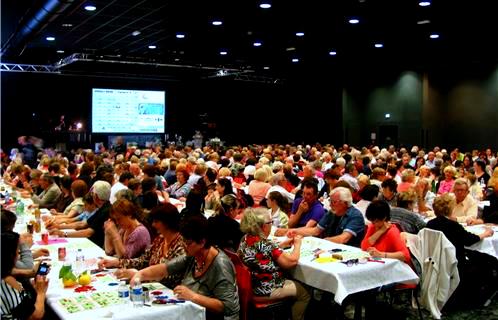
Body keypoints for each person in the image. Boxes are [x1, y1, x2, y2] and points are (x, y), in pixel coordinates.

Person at [130, 215, 240, 320]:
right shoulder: (193, 256)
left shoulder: (220, 265)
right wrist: (140, 275)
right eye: (183, 241)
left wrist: (193, 296)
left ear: (202, 242)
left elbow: (227, 307)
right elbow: (165, 268)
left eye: (188, 243)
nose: (184, 247)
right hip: (191, 311)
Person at [238, 208, 310, 320]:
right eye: (270, 223)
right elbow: (291, 262)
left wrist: (283, 244)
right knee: (305, 293)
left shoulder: (246, 238)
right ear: (263, 226)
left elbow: (263, 253)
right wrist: (297, 244)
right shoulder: (267, 245)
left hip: (249, 287)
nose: (271, 225)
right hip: (264, 290)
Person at [426, 194, 498, 308]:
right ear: (450, 208)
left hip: (436, 260)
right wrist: (485, 234)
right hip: (455, 263)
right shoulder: (453, 226)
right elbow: (469, 240)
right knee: (485, 261)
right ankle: (480, 296)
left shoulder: (430, 224)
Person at [98, 203, 185, 289]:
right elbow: (142, 261)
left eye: (156, 221)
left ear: (167, 223)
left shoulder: (181, 246)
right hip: (153, 287)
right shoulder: (160, 239)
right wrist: (117, 262)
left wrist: (139, 275)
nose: (153, 225)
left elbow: (171, 279)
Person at [286, 187, 365, 247]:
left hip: (348, 252)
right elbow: (315, 230)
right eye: (330, 201)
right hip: (329, 247)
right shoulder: (332, 212)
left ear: (345, 203)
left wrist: (323, 241)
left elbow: (343, 238)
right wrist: (293, 231)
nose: (330, 205)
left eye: (334, 202)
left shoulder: (355, 216)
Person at [1, 232, 49, 320]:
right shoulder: (7, 282)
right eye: (17, 251)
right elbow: (35, 315)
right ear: (12, 256)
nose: (18, 255)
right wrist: (41, 292)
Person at [49, 180, 111, 248]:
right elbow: (82, 224)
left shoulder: (105, 211)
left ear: (95, 196)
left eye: (91, 194)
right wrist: (58, 227)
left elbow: (88, 232)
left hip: (95, 246)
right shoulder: (103, 207)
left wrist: (63, 234)